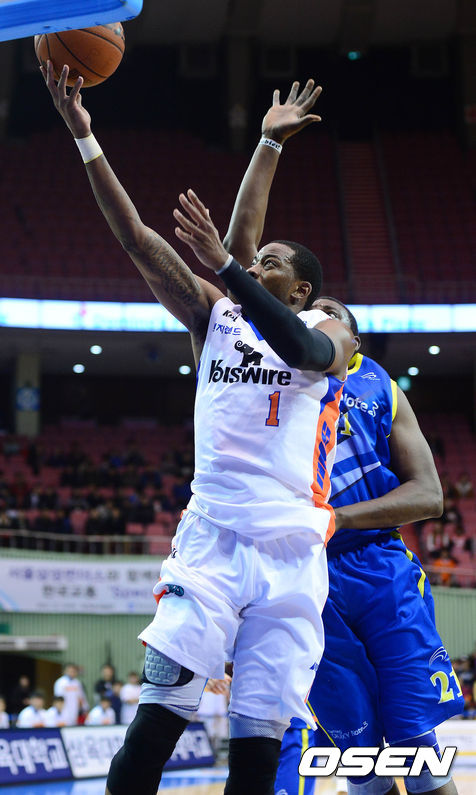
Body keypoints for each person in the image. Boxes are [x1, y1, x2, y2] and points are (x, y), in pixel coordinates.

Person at [42, 63, 356, 795]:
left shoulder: (331, 325)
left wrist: (228, 262)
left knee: (257, 747)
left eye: (269, 262)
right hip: (212, 540)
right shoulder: (215, 315)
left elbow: (303, 350)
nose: (252, 261)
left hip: (292, 554)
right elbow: (135, 237)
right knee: (155, 723)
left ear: (301, 288)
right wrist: (85, 137)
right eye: (252, 259)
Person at [222, 81, 463, 795]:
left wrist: (334, 518)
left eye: (331, 313)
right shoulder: (275, 367)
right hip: (305, 576)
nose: (317, 320)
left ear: (350, 335)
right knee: (357, 750)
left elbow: (429, 496)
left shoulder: (381, 386)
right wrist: (268, 143)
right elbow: (238, 263)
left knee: (417, 745)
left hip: (376, 565)